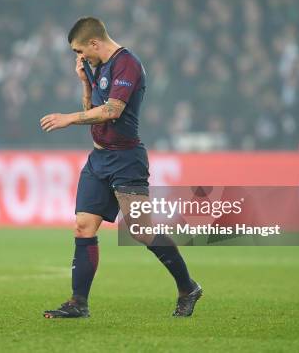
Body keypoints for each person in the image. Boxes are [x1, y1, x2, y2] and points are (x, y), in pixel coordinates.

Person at [40, 17, 202, 318]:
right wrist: (86, 84)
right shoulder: (97, 67)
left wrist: (68, 118)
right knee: (83, 226)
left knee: (141, 230)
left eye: (79, 51)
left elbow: (113, 110)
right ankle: (78, 303)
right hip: (99, 160)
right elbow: (94, 111)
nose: (79, 57)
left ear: (93, 42)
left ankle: (187, 287)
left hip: (127, 159)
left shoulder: (127, 64)